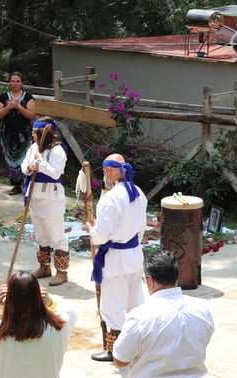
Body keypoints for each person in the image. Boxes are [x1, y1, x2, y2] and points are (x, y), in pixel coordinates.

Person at [112, 252, 215, 377]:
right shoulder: (202, 308)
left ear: (150, 281)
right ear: (176, 278)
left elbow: (120, 361)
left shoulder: (139, 317)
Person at [87, 153, 148, 362]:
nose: (105, 173)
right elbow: (141, 227)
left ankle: (115, 350)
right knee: (135, 302)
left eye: (106, 170)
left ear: (110, 171)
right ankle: (138, 345)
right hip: (135, 254)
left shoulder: (110, 199)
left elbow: (102, 236)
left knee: (112, 305)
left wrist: (92, 230)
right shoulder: (139, 193)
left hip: (115, 258)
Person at [0, 271, 75, 378]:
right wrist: (50, 301)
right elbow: (71, 311)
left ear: (8, 300)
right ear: (38, 298)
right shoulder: (58, 328)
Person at [21, 117, 69, 286]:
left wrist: (40, 164)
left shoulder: (58, 151)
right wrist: (29, 167)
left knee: (55, 233)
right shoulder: (34, 147)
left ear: (44, 133)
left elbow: (56, 173)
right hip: (35, 195)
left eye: (36, 133)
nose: (33, 135)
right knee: (41, 233)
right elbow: (24, 165)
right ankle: (44, 267)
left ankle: (62, 272)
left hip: (51, 197)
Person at [0, 72, 36, 196]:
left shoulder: (28, 97)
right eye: (12, 81)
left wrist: (18, 107)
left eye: (17, 81)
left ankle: (26, 184)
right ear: (9, 82)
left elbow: (31, 115)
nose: (15, 83)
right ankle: (16, 185)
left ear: (21, 83)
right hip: (8, 135)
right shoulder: (3, 98)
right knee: (10, 161)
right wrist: (7, 108)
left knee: (25, 159)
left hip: (24, 136)